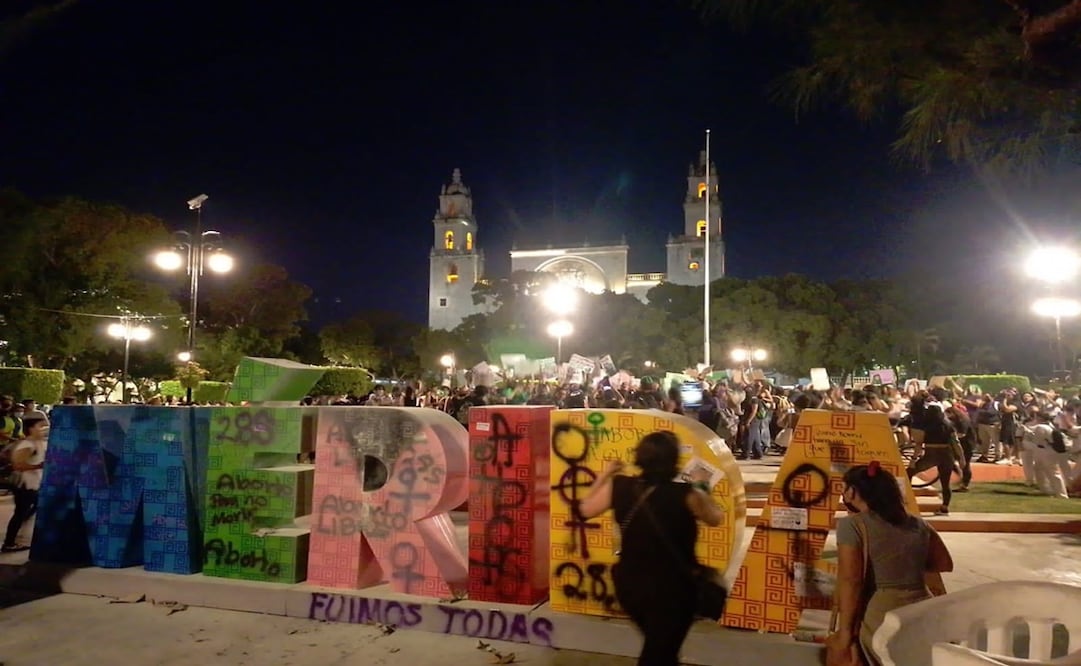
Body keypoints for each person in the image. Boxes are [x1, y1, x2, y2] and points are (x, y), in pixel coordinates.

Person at [579, 431, 722, 666]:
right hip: (673, 589)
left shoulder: (620, 485)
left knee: (662, 646)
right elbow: (715, 517)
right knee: (658, 652)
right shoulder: (686, 494)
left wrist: (605, 474)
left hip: (630, 586)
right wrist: (703, 487)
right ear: (674, 460)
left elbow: (585, 509)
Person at [835, 462, 954, 666]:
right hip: (922, 605)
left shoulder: (852, 525)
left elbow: (851, 580)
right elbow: (944, 563)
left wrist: (845, 632)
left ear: (853, 492)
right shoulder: (918, 523)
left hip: (881, 609)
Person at [3, 411, 49, 552]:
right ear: (31, 428)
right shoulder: (27, 445)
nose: (44, 429)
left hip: (34, 484)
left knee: (28, 511)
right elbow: (18, 465)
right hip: (24, 486)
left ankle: (15, 539)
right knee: (21, 513)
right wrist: (39, 466)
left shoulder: (39, 442)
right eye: (40, 426)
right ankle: (9, 543)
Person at [907, 403, 965, 515]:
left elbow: (919, 444)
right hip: (946, 454)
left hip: (931, 453)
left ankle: (906, 500)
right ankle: (944, 507)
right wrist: (961, 458)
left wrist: (913, 459)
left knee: (909, 473)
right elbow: (956, 443)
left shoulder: (926, 426)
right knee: (945, 482)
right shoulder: (949, 425)